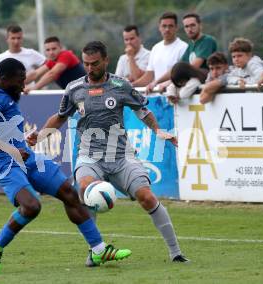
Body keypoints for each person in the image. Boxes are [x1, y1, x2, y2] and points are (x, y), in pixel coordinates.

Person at [27, 41, 189, 265]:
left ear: (105, 60)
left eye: (95, 64)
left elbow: (142, 110)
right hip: (89, 156)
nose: (90, 68)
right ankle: (95, 250)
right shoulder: (74, 88)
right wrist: (41, 134)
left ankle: (176, 252)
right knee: (85, 188)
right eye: (86, 64)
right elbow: (61, 116)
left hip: (121, 156)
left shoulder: (120, 85)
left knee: (147, 197)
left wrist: (159, 131)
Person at [0, 58, 131, 274]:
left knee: (69, 193)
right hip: (3, 161)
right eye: (20, 81)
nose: (23, 86)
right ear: (3, 78)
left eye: (24, 80)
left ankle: (99, 250)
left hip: (24, 156)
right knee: (31, 207)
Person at [148, 13, 217, 95]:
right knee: (171, 90)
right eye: (186, 26)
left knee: (182, 93)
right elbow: (176, 69)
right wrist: (156, 82)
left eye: (192, 25)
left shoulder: (207, 40)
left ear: (200, 25)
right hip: (193, 81)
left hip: (206, 82)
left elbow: (192, 67)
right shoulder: (190, 45)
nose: (190, 29)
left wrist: (171, 81)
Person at [132, 12, 187, 91]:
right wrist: (130, 85)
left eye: (170, 26)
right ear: (159, 28)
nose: (167, 29)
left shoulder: (183, 47)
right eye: (164, 26)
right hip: (157, 97)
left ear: (176, 28)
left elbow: (183, 76)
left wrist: (167, 84)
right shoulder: (156, 48)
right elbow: (148, 77)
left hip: (175, 97)